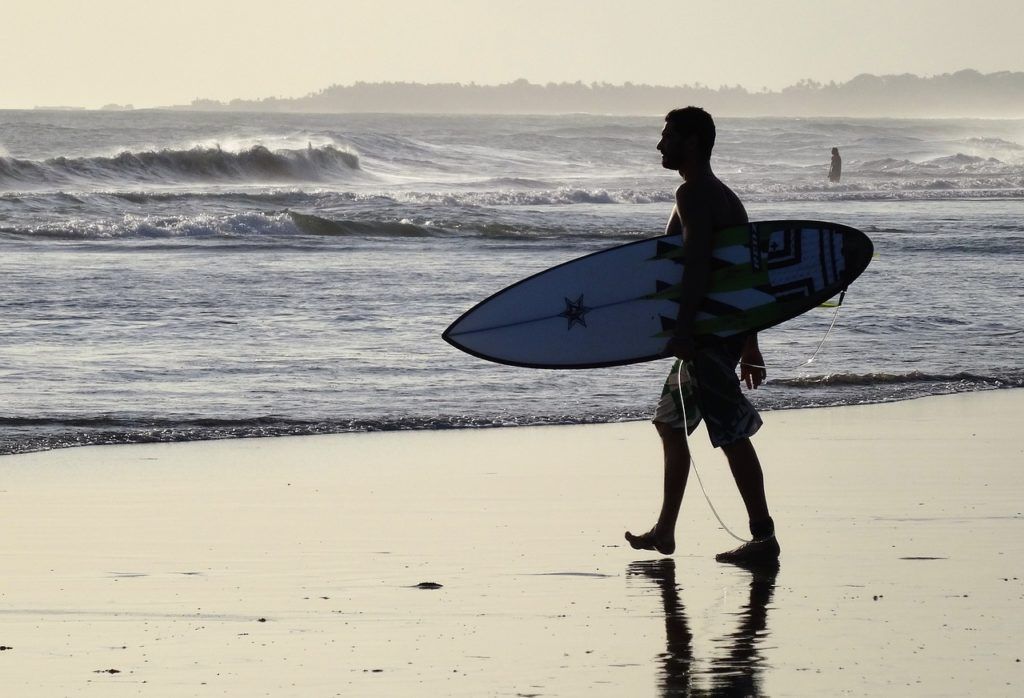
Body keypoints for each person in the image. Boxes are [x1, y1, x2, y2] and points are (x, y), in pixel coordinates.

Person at [625, 107, 780, 566]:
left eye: (668, 136)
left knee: (731, 433)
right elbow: (742, 274)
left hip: (707, 335)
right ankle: (666, 530)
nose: (660, 145)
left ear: (691, 142)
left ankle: (764, 537)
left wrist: (686, 331)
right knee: (670, 424)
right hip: (718, 332)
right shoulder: (720, 196)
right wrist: (750, 343)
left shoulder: (695, 194)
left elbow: (694, 269)